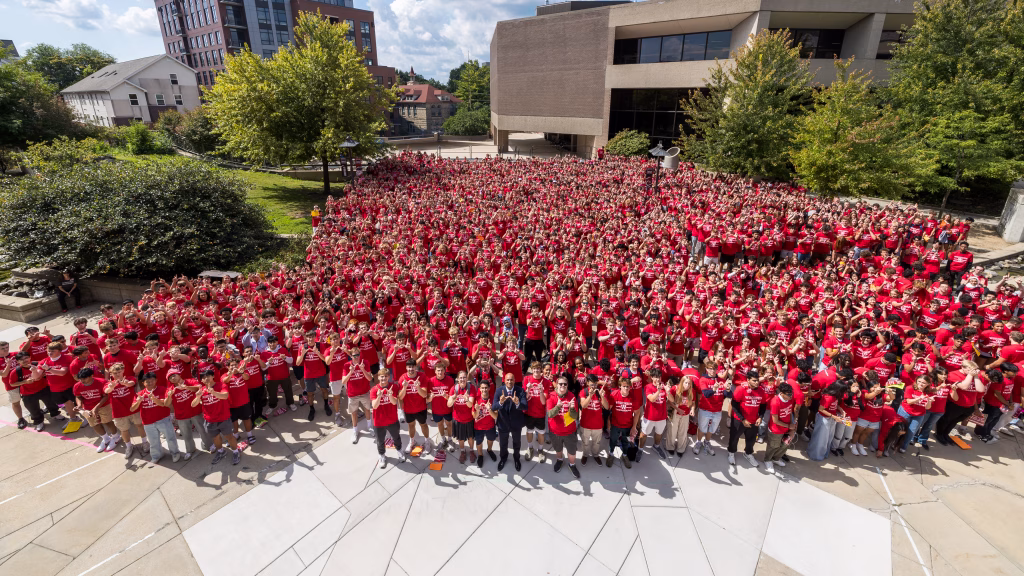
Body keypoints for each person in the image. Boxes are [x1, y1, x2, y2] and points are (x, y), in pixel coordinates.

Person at [191, 369, 242, 465]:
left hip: (223, 418)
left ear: (213, 376)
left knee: (229, 436)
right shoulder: (201, 390)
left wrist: (213, 392)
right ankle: (221, 451)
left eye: (208, 376)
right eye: (203, 378)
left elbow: (225, 396)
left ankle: (235, 452)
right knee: (215, 438)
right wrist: (198, 397)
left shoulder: (221, 385)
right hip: (210, 420)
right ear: (201, 381)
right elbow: (193, 405)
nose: (206, 379)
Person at [131, 372, 181, 464]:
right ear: (143, 383)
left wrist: (153, 398)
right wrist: (138, 402)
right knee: (153, 441)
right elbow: (132, 408)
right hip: (148, 422)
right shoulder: (140, 394)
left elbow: (164, 404)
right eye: (147, 381)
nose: (150, 383)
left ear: (156, 380)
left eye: (152, 380)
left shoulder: (162, 389)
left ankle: (175, 453)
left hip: (163, 419)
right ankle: (156, 456)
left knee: (170, 438)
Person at [73, 367, 118, 452]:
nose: (82, 381)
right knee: (94, 424)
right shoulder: (77, 386)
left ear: (91, 376)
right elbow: (78, 396)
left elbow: (106, 396)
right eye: (80, 379)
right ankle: (106, 439)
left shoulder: (102, 382)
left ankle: (115, 437)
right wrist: (79, 405)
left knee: (108, 422)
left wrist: (96, 407)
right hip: (88, 408)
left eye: (85, 378)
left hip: (104, 405)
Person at [370, 371, 405, 468]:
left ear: (389, 377)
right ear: (378, 377)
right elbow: (374, 406)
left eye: (385, 377)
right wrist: (379, 396)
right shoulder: (374, 390)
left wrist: (390, 395)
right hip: (379, 421)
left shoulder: (394, 387)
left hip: (392, 420)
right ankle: (382, 455)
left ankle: (399, 450)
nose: (383, 379)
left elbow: (395, 403)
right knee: (380, 441)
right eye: (381, 377)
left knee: (396, 437)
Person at [492, 373, 527, 472]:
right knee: (503, 444)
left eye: (511, 380)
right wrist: (500, 402)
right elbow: (493, 407)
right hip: (503, 423)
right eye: (507, 380)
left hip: (516, 423)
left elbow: (525, 406)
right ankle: (503, 458)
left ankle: (516, 459)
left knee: (517, 443)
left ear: (515, 380)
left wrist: (518, 403)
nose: (509, 382)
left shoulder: (520, 390)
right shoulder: (499, 391)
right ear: (504, 380)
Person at [547, 377, 580, 478]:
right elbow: (550, 414)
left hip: (569, 431)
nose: (563, 386)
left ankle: (572, 465)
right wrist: (558, 406)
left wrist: (572, 408)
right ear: (556, 384)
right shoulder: (551, 396)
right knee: (558, 449)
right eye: (561, 384)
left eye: (565, 384)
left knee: (572, 451)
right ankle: (560, 460)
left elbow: (575, 416)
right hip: (555, 431)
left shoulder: (572, 396)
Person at [728, 369, 763, 468]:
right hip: (739, 421)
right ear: (748, 380)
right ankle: (731, 452)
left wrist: (760, 417)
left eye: (757, 380)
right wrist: (742, 419)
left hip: (754, 421)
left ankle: (748, 454)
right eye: (754, 381)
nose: (757, 383)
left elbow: (763, 405)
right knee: (734, 438)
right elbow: (734, 405)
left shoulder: (761, 391)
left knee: (751, 440)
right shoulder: (740, 389)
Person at [808, 380, 848, 461]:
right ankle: (816, 455)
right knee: (821, 439)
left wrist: (840, 410)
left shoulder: (835, 396)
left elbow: (834, 405)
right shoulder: (828, 397)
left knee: (828, 438)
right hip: (824, 419)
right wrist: (834, 417)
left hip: (831, 418)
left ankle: (823, 453)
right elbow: (821, 409)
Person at [602, 375, 635, 469]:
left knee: (626, 441)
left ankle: (624, 455)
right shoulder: (614, 394)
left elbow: (637, 413)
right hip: (615, 424)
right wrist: (602, 397)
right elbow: (608, 407)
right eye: (624, 386)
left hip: (628, 425)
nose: (626, 388)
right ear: (620, 386)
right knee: (613, 440)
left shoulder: (633, 397)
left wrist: (634, 427)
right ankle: (611, 454)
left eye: (628, 386)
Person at [763, 383, 796, 473]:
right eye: (789, 394)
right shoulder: (775, 402)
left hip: (787, 428)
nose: (791, 396)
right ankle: (768, 460)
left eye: (791, 394)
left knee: (785, 445)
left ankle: (776, 458)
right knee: (773, 446)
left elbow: (789, 413)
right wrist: (789, 426)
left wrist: (791, 429)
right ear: (781, 393)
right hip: (775, 430)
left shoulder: (789, 399)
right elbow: (775, 421)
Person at [637, 368, 669, 459]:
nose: (657, 379)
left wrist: (668, 391)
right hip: (649, 417)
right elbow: (652, 399)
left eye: (659, 377)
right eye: (655, 377)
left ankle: (656, 446)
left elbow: (671, 400)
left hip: (662, 417)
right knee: (644, 434)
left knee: (659, 433)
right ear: (651, 377)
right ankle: (640, 449)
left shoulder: (664, 387)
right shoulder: (648, 387)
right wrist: (658, 391)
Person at [447, 371, 476, 464]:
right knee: (460, 438)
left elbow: (470, 405)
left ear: (467, 379)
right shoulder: (454, 389)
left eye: (464, 377)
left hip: (469, 419)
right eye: (461, 378)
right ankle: (462, 451)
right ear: (457, 379)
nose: (462, 379)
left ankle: (471, 451)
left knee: (470, 437)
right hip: (458, 419)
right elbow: (449, 404)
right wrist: (453, 398)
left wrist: (466, 399)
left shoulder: (471, 388)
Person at [578, 374, 605, 465]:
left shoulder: (600, 392)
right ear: (587, 383)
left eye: (595, 384)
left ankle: (596, 455)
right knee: (585, 442)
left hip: (597, 424)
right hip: (585, 424)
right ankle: (585, 455)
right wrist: (590, 396)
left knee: (596, 443)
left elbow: (607, 406)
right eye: (591, 384)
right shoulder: (583, 392)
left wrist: (602, 397)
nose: (593, 386)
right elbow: (583, 405)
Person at [472, 380, 498, 467]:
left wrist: (489, 409)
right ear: (479, 389)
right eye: (482, 388)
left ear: (489, 388)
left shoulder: (493, 399)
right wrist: (478, 410)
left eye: (486, 388)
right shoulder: (476, 399)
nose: (484, 390)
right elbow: (475, 416)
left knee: (491, 439)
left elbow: (495, 416)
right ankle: (480, 455)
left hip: (490, 426)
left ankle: (489, 450)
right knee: (479, 442)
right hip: (478, 427)